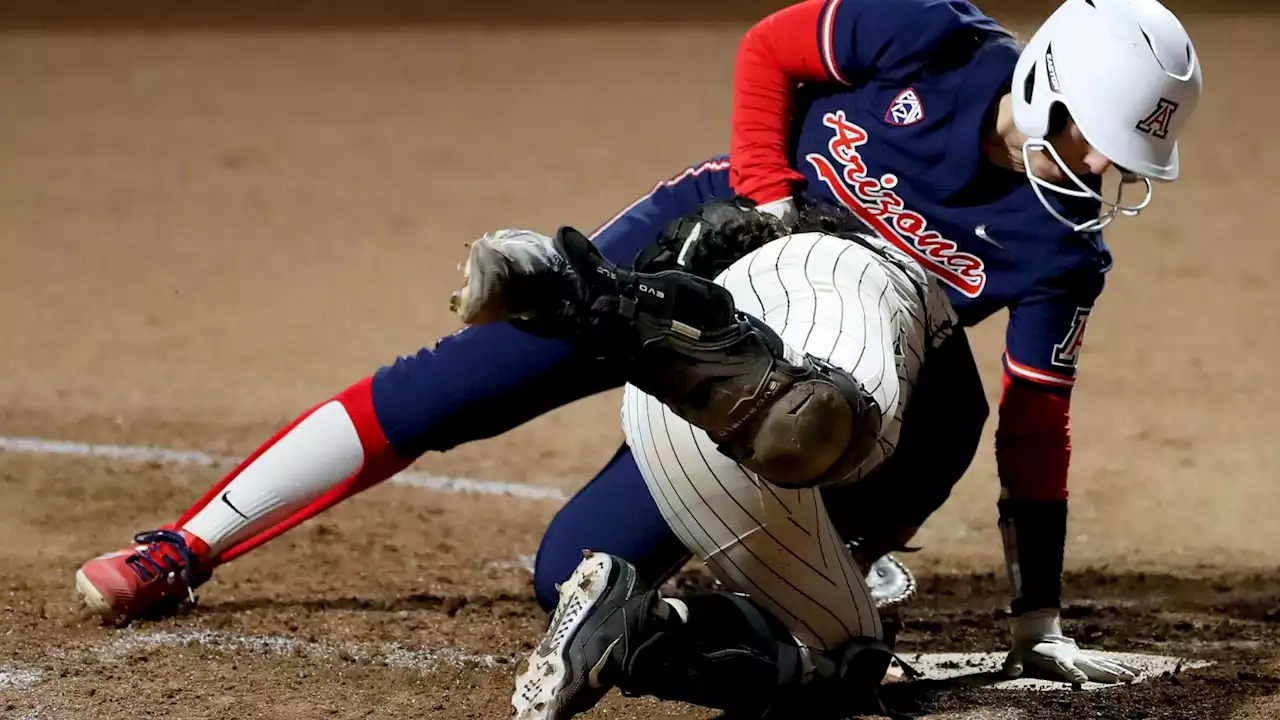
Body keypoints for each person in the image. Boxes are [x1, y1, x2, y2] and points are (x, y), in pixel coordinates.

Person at [74, 0, 1201, 687]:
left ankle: (786, 569)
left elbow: (1033, 427)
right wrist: (766, 203)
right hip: (698, 253)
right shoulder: (933, 39)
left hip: (780, 373)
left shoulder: (1061, 254)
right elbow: (771, 49)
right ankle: (186, 544)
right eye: (1095, 143)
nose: (1100, 174)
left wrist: (1037, 617)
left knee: (572, 572)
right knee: (454, 389)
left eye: (1119, 163)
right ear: (1043, 78)